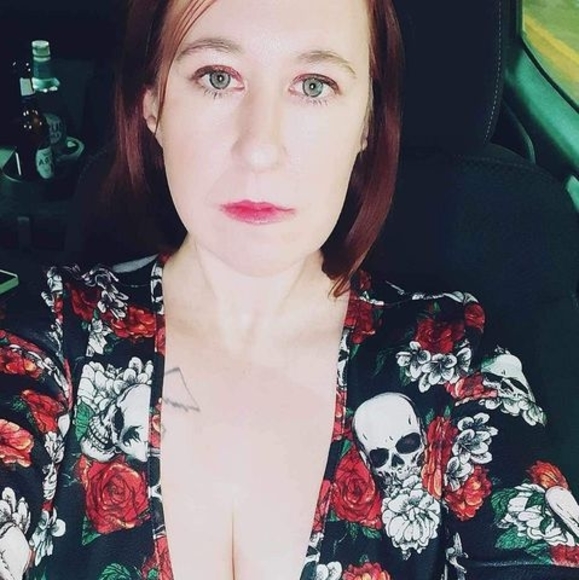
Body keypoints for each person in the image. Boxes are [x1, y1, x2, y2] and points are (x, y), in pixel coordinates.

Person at [1, 0, 578, 578]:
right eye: (218, 77)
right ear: (153, 104)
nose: (260, 147)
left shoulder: (453, 364)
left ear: (367, 122)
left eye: (314, 85)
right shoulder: (48, 335)